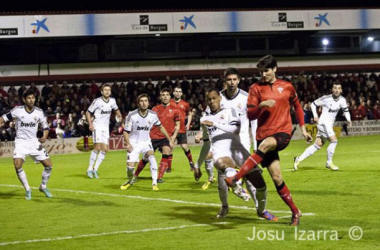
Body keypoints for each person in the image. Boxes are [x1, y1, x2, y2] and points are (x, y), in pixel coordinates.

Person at [224, 55, 313, 226]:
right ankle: (296, 212)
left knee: (266, 144)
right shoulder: (255, 88)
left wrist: (303, 128)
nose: (263, 74)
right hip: (263, 135)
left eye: (266, 70)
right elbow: (250, 114)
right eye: (261, 71)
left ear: (275, 69)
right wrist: (262, 106)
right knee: (277, 177)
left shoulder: (287, 87)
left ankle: (236, 178)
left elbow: (298, 107)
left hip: (282, 133)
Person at [199, 87, 277, 220]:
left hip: (237, 148)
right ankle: (235, 189)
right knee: (225, 167)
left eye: (214, 98)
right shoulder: (204, 119)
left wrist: (215, 123)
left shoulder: (230, 111)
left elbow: (235, 129)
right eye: (209, 99)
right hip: (220, 151)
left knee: (260, 184)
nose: (211, 101)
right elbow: (206, 143)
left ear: (220, 98)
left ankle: (261, 210)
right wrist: (197, 164)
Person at [194, 68, 258, 191]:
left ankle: (257, 205)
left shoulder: (246, 98)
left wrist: (256, 143)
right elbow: (208, 118)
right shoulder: (217, 98)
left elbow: (254, 120)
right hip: (222, 141)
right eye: (229, 80)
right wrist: (201, 132)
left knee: (248, 174)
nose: (232, 82)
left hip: (242, 139)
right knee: (222, 173)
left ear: (239, 80)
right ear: (225, 81)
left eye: (234, 79)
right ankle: (225, 206)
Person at [0, 89, 54, 200]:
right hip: (20, 142)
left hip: (34, 142)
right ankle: (28, 189)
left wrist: (44, 136)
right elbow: (3, 118)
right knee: (17, 165)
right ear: (24, 99)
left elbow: (46, 127)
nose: (31, 100)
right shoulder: (17, 110)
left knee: (49, 166)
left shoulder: (39, 112)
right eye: (29, 98)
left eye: (33, 98)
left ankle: (43, 186)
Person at [120, 94, 173, 191]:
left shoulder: (153, 115)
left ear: (148, 103)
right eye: (141, 101)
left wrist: (169, 139)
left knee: (151, 157)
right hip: (134, 142)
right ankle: (130, 180)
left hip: (146, 141)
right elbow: (125, 132)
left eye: (145, 101)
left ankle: (154, 183)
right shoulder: (132, 115)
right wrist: (128, 144)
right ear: (138, 103)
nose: (144, 103)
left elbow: (160, 127)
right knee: (130, 168)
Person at [294, 82, 352, 171]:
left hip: (328, 124)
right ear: (332, 90)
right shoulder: (326, 98)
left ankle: (298, 159)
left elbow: (346, 110)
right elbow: (313, 104)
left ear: (341, 90)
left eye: (338, 88)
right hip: (323, 123)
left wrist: (348, 119)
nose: (336, 90)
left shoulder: (342, 100)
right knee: (334, 141)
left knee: (317, 145)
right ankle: (329, 163)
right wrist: (315, 116)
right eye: (335, 88)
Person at [85, 84, 122, 179]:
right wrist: (90, 124)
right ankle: (89, 169)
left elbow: (117, 111)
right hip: (97, 126)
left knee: (105, 149)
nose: (107, 91)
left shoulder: (113, 101)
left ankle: (95, 169)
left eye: (109, 90)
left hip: (106, 127)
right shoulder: (97, 101)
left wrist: (120, 118)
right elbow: (88, 112)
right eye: (105, 90)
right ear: (102, 91)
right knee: (97, 148)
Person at [169, 86, 194, 172]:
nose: (178, 93)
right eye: (176, 91)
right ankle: (168, 168)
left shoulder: (185, 104)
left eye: (179, 91)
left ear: (182, 93)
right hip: (171, 129)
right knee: (170, 148)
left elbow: (189, 113)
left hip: (181, 129)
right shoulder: (169, 103)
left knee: (184, 147)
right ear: (173, 93)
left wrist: (188, 123)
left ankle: (191, 163)